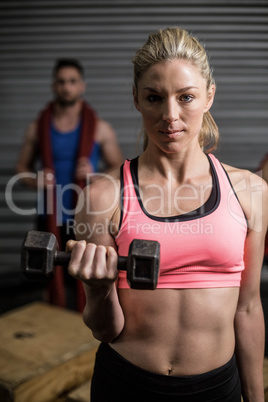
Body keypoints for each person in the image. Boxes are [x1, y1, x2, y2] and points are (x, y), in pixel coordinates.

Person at [66, 28, 268, 401]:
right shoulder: (102, 196)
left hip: (217, 388)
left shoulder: (250, 192)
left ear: (209, 95)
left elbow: (249, 307)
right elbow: (105, 330)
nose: (170, 116)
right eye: (154, 98)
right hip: (126, 383)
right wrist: (97, 289)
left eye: (186, 97)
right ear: (137, 99)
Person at [16, 58, 124, 310]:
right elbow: (21, 169)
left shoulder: (99, 128)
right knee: (47, 275)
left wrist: (95, 175)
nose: (67, 87)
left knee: (85, 274)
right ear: (54, 86)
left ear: (82, 86)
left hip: (85, 215)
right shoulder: (37, 128)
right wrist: (35, 180)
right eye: (62, 82)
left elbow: (119, 168)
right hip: (49, 214)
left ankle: (86, 329)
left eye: (72, 82)